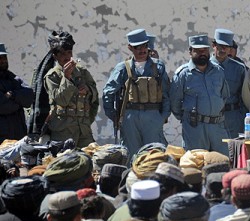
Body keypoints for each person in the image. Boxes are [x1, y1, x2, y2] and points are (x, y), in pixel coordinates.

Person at [103, 28, 171, 159]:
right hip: (130, 117)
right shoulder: (123, 68)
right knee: (131, 155)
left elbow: (166, 94)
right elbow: (108, 92)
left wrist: (162, 117)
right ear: (130, 48)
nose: (142, 50)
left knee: (155, 156)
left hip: (153, 116)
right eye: (137, 47)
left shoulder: (158, 67)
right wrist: (115, 116)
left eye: (144, 46)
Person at [170, 34, 230, 155]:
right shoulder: (183, 74)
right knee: (196, 165)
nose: (202, 53)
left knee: (222, 163)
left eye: (205, 50)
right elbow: (175, 102)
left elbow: (224, 96)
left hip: (217, 127)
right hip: (195, 128)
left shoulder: (218, 71)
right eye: (198, 50)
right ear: (190, 52)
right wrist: (188, 118)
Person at [43, 31, 98, 147]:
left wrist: (87, 90)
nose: (67, 57)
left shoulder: (82, 72)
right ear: (55, 56)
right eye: (62, 54)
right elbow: (61, 100)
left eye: (69, 52)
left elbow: (95, 97)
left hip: (84, 131)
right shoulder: (52, 76)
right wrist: (66, 77)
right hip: (63, 132)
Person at [210, 29, 247, 138]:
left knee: (234, 151)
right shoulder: (204, 67)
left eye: (226, 47)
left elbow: (245, 96)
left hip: (233, 117)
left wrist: (241, 117)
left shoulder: (238, 68)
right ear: (213, 45)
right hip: (211, 117)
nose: (222, 49)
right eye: (219, 46)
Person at [0, 43, 34, 143]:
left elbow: (29, 96)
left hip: (19, 136)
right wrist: (19, 103)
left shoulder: (12, 78)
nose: (3, 61)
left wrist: (12, 95)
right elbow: (2, 106)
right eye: (0, 58)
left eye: (4, 57)